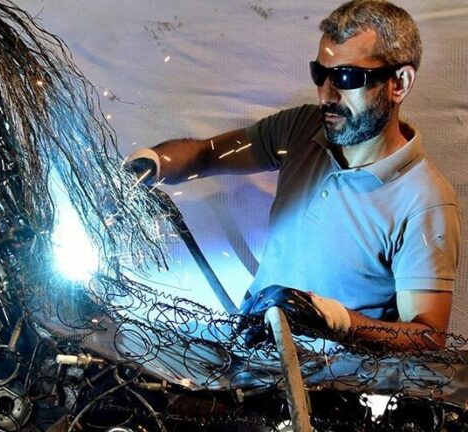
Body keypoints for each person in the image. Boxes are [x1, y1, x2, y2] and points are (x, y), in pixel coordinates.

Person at [127, 0, 460, 350]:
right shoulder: (301, 129)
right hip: (250, 354)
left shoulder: (425, 202)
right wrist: (152, 163)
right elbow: (206, 154)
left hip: (331, 380)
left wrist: (338, 321)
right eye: (320, 74)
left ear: (399, 83)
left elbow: (428, 337)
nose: (327, 95)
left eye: (347, 77)